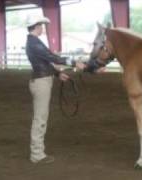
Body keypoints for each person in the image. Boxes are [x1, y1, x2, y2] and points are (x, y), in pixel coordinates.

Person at [25, 16, 86, 164]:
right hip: (41, 82)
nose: (43, 28)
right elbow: (51, 57)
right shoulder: (34, 42)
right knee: (40, 118)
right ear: (36, 26)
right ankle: (37, 154)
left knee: (40, 117)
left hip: (41, 80)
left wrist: (58, 74)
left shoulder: (34, 42)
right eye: (41, 25)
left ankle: (37, 152)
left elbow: (45, 61)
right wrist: (72, 62)